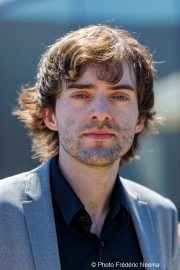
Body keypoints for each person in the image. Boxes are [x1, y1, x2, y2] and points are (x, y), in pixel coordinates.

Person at [0, 25, 179, 270]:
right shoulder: (4, 211)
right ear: (50, 116)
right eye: (81, 95)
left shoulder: (162, 216)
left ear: (140, 120)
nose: (101, 113)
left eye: (119, 96)